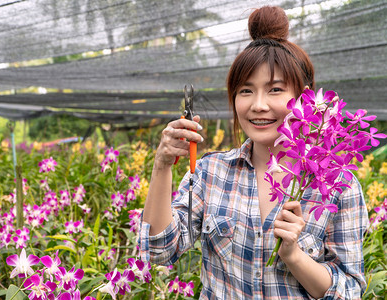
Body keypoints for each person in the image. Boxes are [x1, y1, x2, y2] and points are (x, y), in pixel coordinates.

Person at [139, 5, 368, 299]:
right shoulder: (211, 173)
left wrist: (294, 256)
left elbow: (349, 292)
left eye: (274, 90)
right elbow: (158, 252)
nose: (258, 105)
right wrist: (162, 166)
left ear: (306, 98)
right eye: (246, 91)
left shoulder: (338, 187)